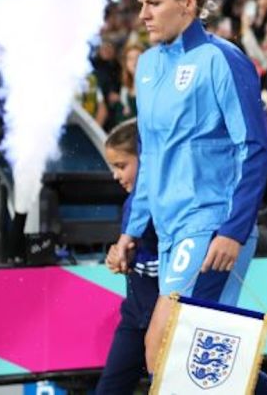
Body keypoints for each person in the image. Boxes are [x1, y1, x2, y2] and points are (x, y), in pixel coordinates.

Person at [110, 0, 267, 392]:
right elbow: (151, 156)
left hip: (211, 224)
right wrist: (130, 230)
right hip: (168, 230)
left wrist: (232, 229)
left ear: (187, 2)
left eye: (154, 3)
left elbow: (255, 148)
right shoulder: (146, 66)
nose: (142, 14)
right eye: (141, 3)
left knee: (169, 346)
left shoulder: (222, 60)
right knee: (175, 353)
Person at [96, 120, 157, 394]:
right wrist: (118, 256)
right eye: (113, 168)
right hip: (135, 315)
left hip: (167, 314)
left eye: (122, 166)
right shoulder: (129, 205)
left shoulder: (169, 202)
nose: (116, 176)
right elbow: (132, 251)